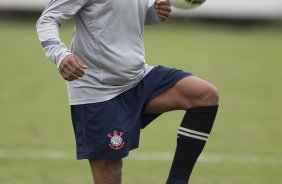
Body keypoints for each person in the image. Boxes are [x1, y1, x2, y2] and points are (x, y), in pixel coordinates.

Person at [36, 0, 219, 183]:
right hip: (97, 90)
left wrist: (152, 13)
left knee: (204, 96)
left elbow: (120, 18)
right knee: (112, 175)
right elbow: (47, 19)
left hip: (137, 78)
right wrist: (61, 55)